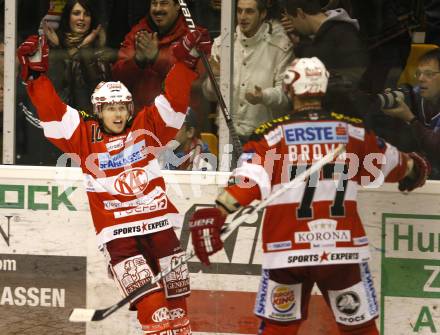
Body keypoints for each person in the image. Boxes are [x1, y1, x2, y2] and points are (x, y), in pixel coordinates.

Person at [188, 57, 430, 335]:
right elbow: (398, 164)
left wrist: (219, 210)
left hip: (287, 250)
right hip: (341, 251)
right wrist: (414, 168)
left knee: (279, 328)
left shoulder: (270, 134)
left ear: (289, 90)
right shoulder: (352, 131)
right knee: (360, 329)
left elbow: (248, 181)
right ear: (323, 89)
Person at [17, 28, 211, 334]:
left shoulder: (146, 127)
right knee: (156, 315)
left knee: (179, 310)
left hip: (159, 226)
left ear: (130, 109)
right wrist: (36, 74)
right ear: (98, 111)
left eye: (122, 107)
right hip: (120, 236)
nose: (117, 114)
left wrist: (186, 64)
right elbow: (53, 112)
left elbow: (173, 104)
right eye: (110, 108)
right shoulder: (84, 135)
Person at [203, 0, 295, 143]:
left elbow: (286, 98)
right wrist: (216, 77)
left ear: (262, 13)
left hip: (265, 137)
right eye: (239, 11)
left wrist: (263, 96)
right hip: (227, 137)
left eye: (249, 11)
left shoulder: (280, 47)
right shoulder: (222, 44)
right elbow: (210, 95)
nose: (243, 17)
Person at [112, 0, 210, 113]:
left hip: (180, 122)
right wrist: (137, 60)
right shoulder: (137, 34)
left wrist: (156, 58)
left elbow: (198, 83)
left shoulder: (196, 37)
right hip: (142, 120)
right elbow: (117, 78)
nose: (157, 9)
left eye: (164, 3)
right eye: (154, 3)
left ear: (178, 5)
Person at [281, 0, 368, 88]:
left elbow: (355, 75)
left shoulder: (341, 33)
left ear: (300, 13)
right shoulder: (324, 35)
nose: (293, 25)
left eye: (291, 19)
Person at [382, 48, 440, 180]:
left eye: (429, 74)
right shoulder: (415, 95)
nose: (421, 79)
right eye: (418, 73)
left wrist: (410, 119)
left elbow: (437, 148)